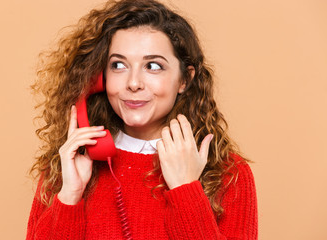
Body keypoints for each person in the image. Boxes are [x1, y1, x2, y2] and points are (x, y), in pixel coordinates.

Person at [26, 0, 258, 239]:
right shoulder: (69, 164)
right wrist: (70, 197)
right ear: (100, 78)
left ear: (184, 80)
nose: (133, 83)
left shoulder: (229, 173)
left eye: (153, 66)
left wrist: (185, 191)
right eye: (118, 65)